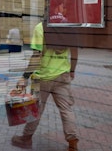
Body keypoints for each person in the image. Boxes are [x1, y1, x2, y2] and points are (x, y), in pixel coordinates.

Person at [11, 21, 79, 151]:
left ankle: (26, 138)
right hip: (62, 75)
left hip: (42, 77)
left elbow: (37, 55)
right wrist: (72, 70)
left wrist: (25, 77)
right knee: (66, 110)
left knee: (35, 110)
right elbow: (75, 53)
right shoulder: (70, 26)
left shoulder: (41, 27)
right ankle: (72, 143)